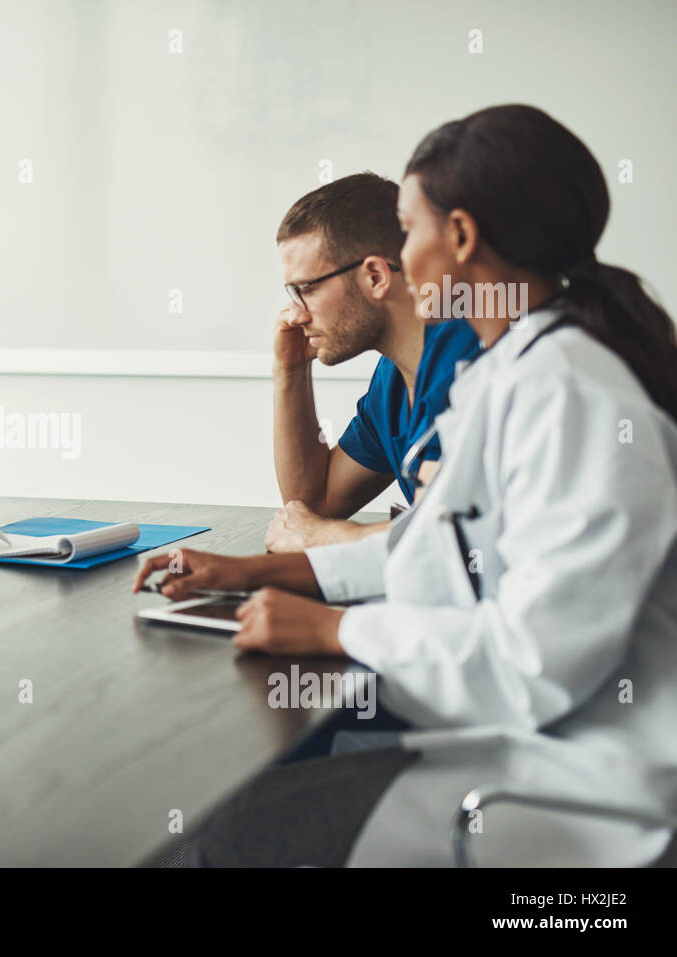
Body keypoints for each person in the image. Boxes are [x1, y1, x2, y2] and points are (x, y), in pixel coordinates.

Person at [135, 104, 677, 867]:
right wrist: (250, 570)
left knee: (202, 843)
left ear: (458, 238)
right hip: (513, 744)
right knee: (237, 802)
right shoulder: (520, 372)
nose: (398, 253)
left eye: (408, 227)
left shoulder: (571, 393)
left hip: (578, 787)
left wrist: (335, 629)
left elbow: (533, 665)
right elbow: (437, 553)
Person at [268, 173, 481, 553]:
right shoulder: (393, 381)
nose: (296, 314)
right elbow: (314, 503)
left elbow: (462, 536)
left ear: (376, 276)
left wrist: (326, 537)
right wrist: (290, 370)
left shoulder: (473, 361)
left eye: (308, 288)